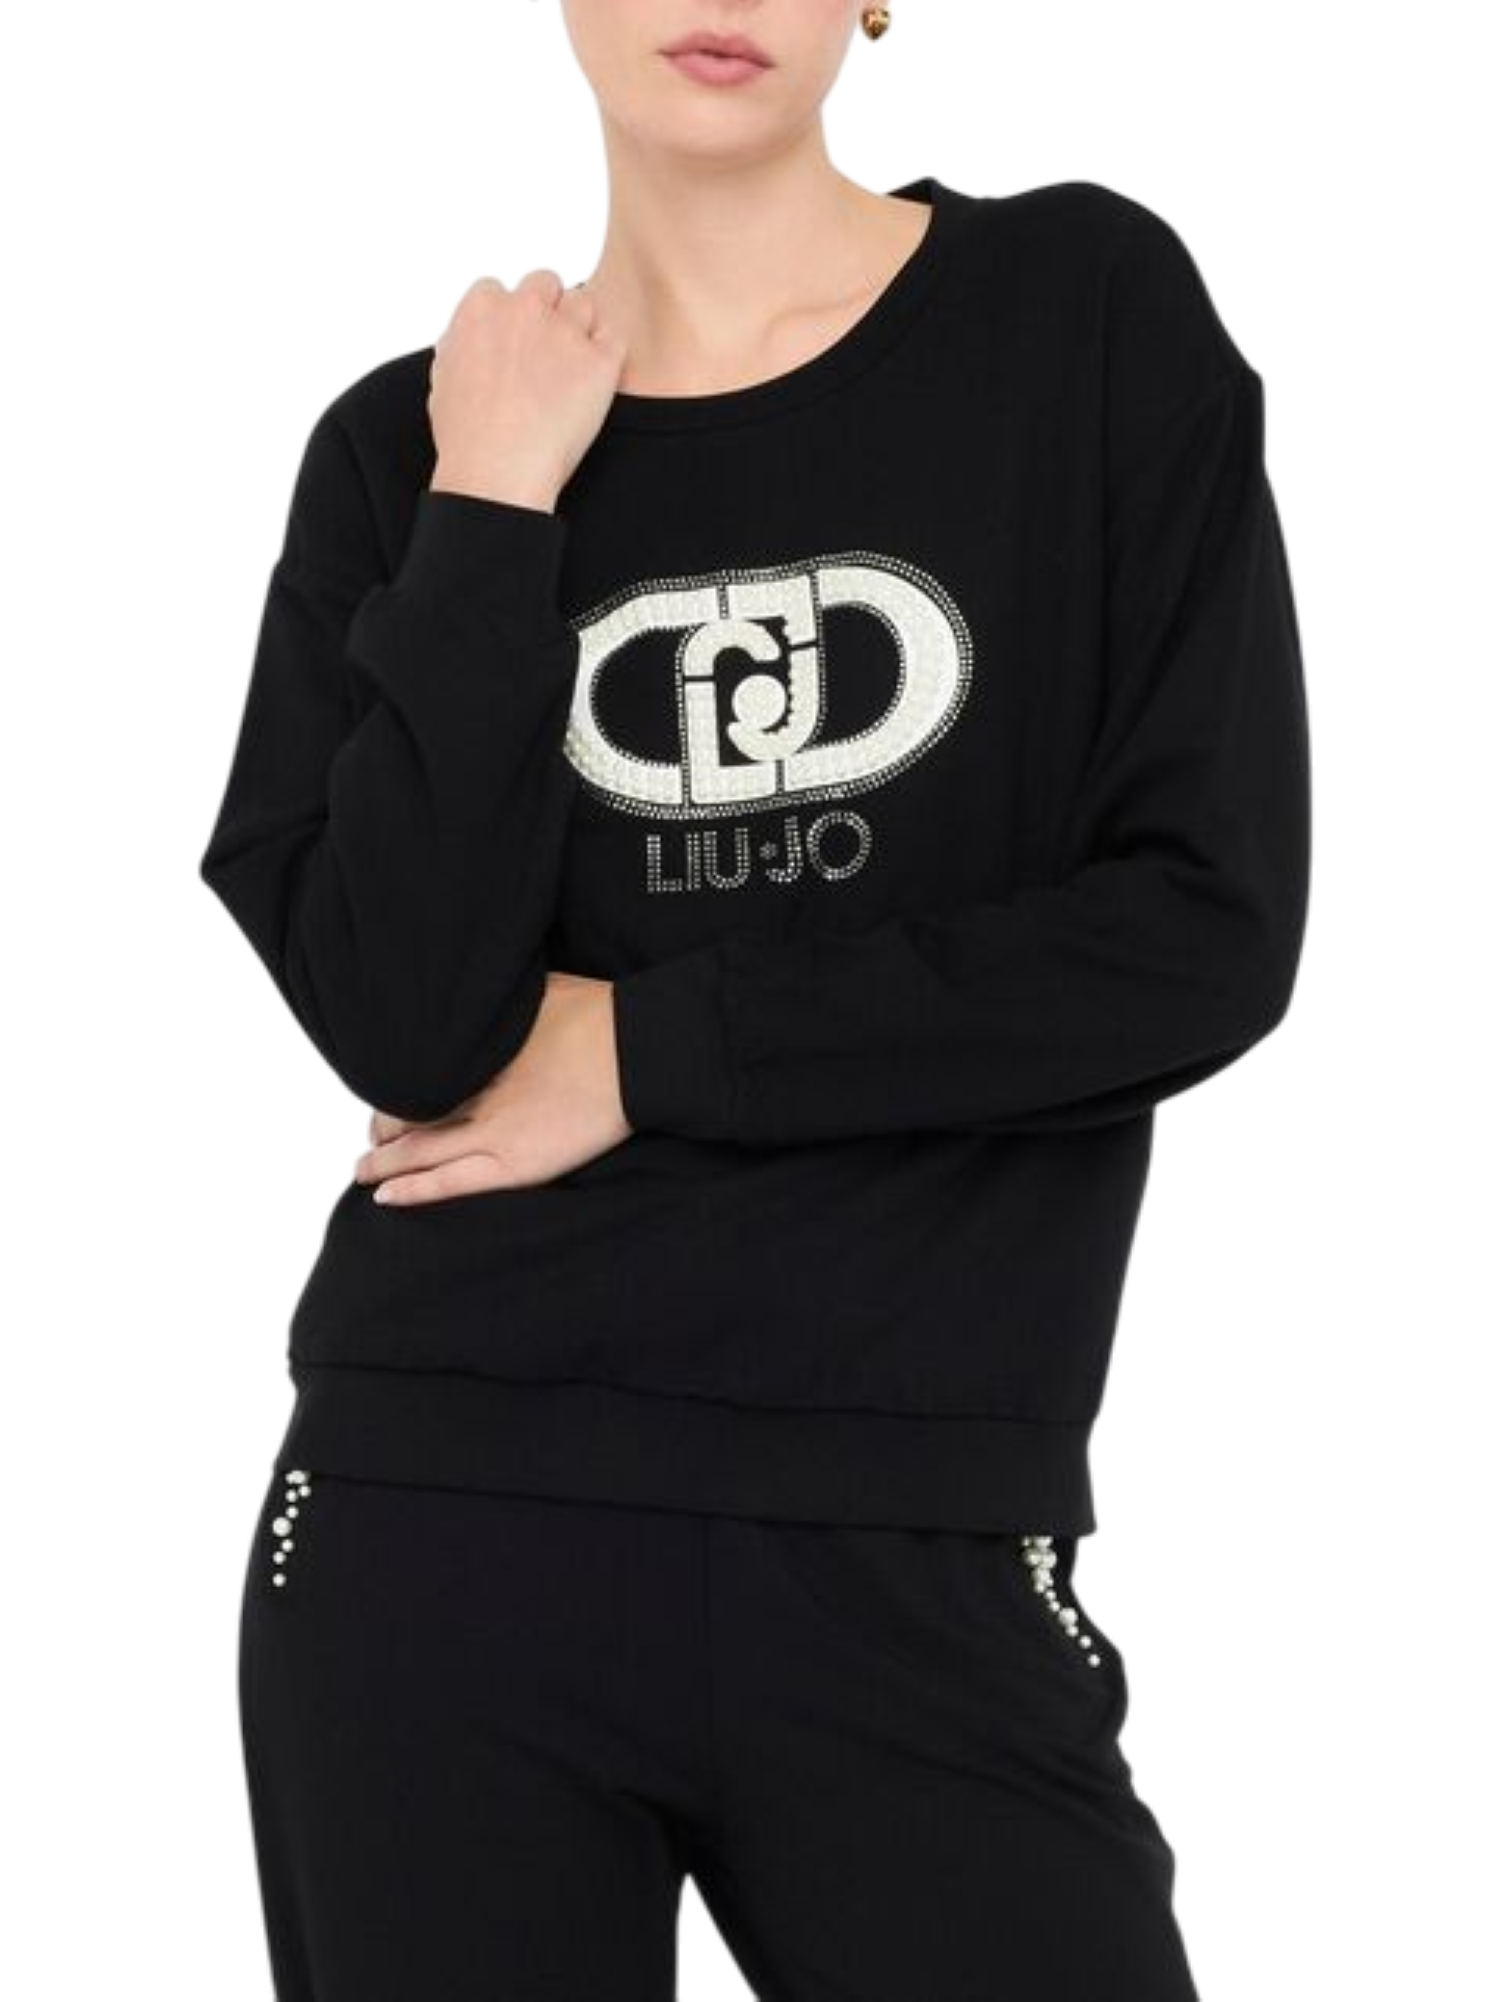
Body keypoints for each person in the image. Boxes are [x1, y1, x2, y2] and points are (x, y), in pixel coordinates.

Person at [199, 4, 1312, 1996]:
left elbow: (1200, 931)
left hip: (918, 1541)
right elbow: (407, 1022)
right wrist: (494, 506)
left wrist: (645, 1049)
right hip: (444, 1524)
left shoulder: (1082, 317)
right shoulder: (409, 451)